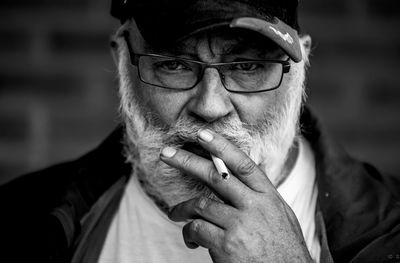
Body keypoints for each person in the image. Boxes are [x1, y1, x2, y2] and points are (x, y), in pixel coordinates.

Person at [1, 0, 399, 262]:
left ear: (300, 65)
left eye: (247, 66)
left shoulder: (391, 225)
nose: (210, 106)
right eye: (174, 65)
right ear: (122, 58)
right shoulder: (22, 222)